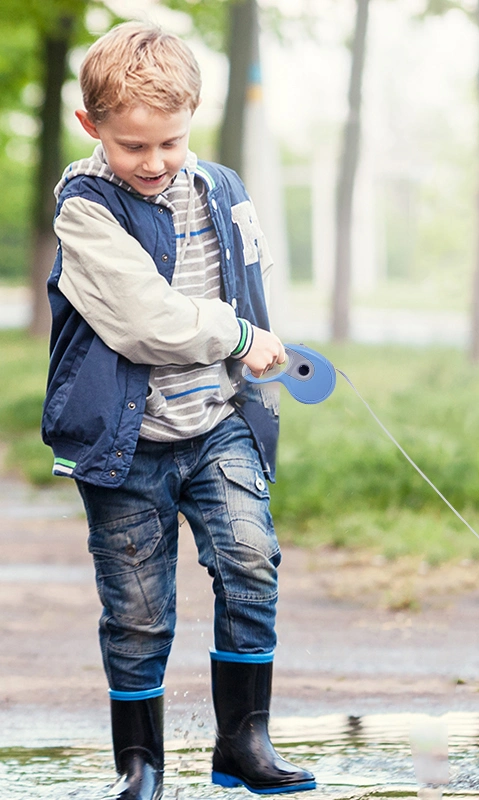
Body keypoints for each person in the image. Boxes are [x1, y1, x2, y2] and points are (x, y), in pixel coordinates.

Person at [41, 20, 315, 800]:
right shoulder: (86, 209)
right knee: (136, 607)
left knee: (250, 561)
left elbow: (251, 282)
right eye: (133, 147)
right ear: (91, 127)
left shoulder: (224, 189)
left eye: (172, 142)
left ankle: (243, 742)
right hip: (125, 442)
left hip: (217, 422)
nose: (155, 163)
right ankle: (140, 763)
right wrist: (237, 333)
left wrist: (266, 347)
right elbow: (144, 320)